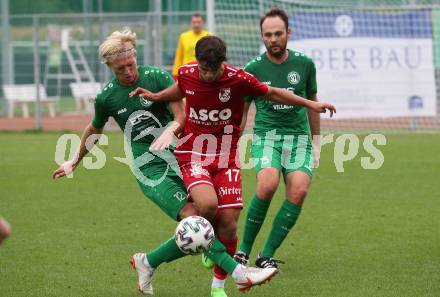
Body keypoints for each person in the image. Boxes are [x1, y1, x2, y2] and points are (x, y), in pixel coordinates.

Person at [52, 29, 276, 295]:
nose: (127, 71)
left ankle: (147, 261)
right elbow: (95, 129)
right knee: (193, 219)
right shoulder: (107, 97)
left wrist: (171, 130)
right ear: (110, 67)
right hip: (150, 168)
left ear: (136, 56)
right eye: (120, 68)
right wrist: (74, 161)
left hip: (180, 154)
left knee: (212, 219)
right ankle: (240, 274)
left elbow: (180, 115)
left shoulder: (157, 77)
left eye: (130, 64)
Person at [130, 35, 335, 297]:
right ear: (198, 62)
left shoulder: (239, 79)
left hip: (226, 156)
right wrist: (158, 95)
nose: (207, 75)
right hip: (193, 152)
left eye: (212, 71)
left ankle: (213, 284)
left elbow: (272, 92)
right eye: (203, 69)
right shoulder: (188, 72)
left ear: (222, 64)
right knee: (207, 207)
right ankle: (236, 271)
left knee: (227, 225)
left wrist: (311, 104)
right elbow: (181, 89)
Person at [234, 8, 322, 269]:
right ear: (262, 37)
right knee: (268, 183)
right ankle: (243, 251)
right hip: (267, 137)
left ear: (288, 33)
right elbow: (243, 111)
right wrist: (233, 142)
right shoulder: (253, 68)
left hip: (298, 140)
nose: (273, 39)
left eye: (278, 34)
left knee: (299, 190)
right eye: (268, 35)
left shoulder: (305, 64)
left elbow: (312, 103)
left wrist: (317, 142)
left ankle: (266, 254)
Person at [172, 13, 210, 78]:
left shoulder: (209, 36)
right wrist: (175, 73)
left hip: (203, 72)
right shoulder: (184, 37)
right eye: (194, 22)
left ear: (203, 23)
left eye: (199, 22)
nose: (196, 25)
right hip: (187, 72)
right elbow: (179, 55)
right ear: (191, 23)